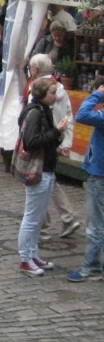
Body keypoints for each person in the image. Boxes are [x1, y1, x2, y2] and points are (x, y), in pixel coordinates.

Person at [16, 77, 69, 277]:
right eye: (52, 93)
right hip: (38, 171)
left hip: (46, 169)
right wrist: (57, 131)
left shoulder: (43, 111)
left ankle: (32, 254)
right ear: (42, 95)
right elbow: (31, 142)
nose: (56, 96)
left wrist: (56, 137)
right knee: (31, 217)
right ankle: (25, 259)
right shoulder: (36, 113)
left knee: (38, 217)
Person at [27, 55, 81, 239]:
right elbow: (68, 115)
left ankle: (43, 226)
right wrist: (66, 141)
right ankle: (66, 218)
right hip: (55, 140)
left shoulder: (38, 90)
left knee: (38, 181)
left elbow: (31, 120)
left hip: (44, 142)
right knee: (49, 180)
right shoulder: (60, 89)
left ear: (35, 69)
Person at [69, 78, 104, 282]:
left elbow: (82, 115)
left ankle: (91, 265)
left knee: (95, 223)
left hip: (99, 172)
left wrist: (97, 94)